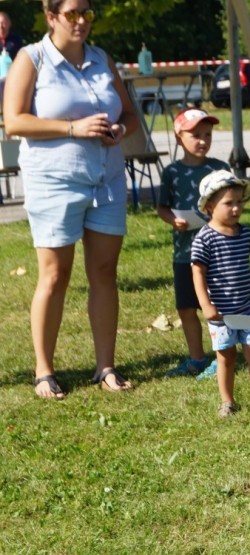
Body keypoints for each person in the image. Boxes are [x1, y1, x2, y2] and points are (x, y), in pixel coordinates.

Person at [4, 0, 140, 399]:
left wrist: (119, 129)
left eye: (88, 14)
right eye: (72, 14)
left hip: (106, 180)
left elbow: (130, 115)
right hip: (54, 182)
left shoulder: (102, 58)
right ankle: (44, 371)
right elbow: (14, 121)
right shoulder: (32, 59)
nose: (81, 21)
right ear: (51, 17)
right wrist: (72, 128)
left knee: (105, 272)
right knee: (55, 275)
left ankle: (106, 367)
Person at [190, 170, 250, 417]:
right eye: (228, 203)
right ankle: (227, 402)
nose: (236, 208)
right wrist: (206, 305)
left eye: (239, 202)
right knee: (226, 355)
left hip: (247, 307)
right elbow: (198, 273)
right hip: (221, 313)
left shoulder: (245, 234)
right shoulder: (205, 238)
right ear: (209, 207)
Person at [156, 107, 228, 379]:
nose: (203, 140)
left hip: (217, 253)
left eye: (207, 135)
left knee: (217, 306)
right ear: (179, 138)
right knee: (186, 306)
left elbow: (232, 203)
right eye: (196, 135)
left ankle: (223, 356)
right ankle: (197, 358)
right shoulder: (171, 172)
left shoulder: (220, 169)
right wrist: (173, 220)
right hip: (185, 254)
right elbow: (162, 207)